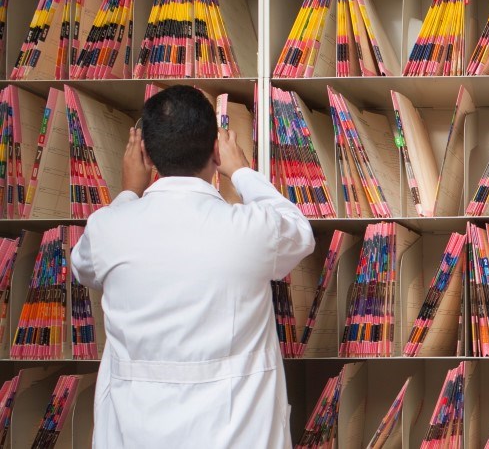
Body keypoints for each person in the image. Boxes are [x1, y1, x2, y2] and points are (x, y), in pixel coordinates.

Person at [70, 85, 314, 447]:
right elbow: (300, 233)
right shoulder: (250, 229)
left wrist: (127, 194)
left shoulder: (107, 228)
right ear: (216, 150)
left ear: (145, 154)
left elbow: (84, 268)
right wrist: (242, 171)